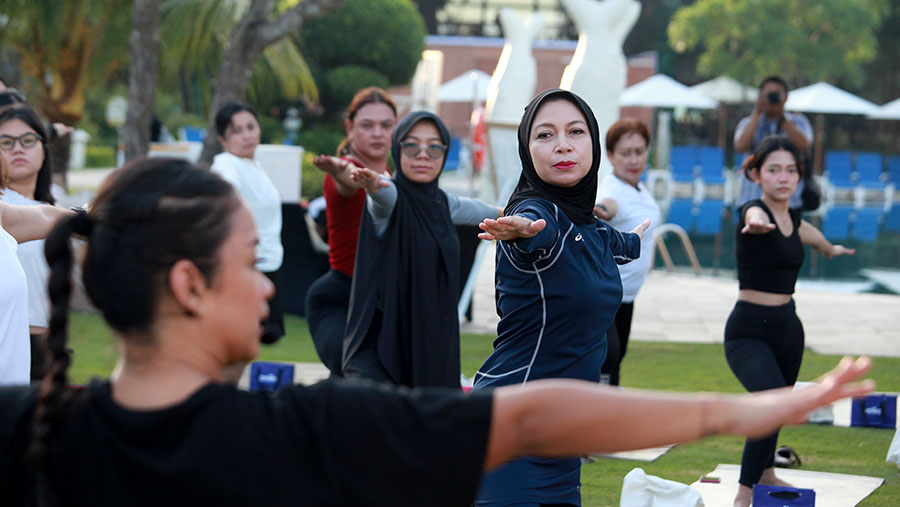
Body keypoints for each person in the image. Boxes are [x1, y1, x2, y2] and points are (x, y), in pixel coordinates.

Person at [0, 157, 875, 507]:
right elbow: (533, 416)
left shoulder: (27, 427)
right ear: (189, 285)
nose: (268, 283)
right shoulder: (302, 427)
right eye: (246, 262)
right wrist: (737, 411)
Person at [473, 89, 650, 506]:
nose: (563, 145)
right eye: (545, 135)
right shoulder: (539, 215)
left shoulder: (590, 228)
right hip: (511, 430)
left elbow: (615, 241)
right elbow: (537, 229)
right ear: (526, 148)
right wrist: (520, 229)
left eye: (575, 132)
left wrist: (634, 240)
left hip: (564, 437)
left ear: (593, 143)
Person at [727, 135, 856, 507]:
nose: (783, 178)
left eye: (790, 170)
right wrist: (755, 224)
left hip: (788, 329)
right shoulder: (754, 210)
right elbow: (754, 217)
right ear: (757, 174)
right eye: (773, 170)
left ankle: (766, 472)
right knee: (771, 404)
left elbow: (806, 233)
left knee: (780, 405)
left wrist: (829, 248)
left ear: (799, 176)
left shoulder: (792, 217)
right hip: (748, 331)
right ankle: (744, 494)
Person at [342, 111, 500, 388]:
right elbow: (383, 196)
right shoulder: (392, 197)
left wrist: (535, 213)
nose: (423, 155)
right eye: (412, 146)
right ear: (397, 149)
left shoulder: (444, 204)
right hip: (385, 345)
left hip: (433, 343)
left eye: (434, 147)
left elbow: (494, 212)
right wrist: (375, 186)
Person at [306, 87, 397, 376]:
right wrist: (339, 168)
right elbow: (350, 178)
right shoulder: (349, 170)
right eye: (367, 125)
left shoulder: (397, 178)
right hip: (340, 301)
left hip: (384, 304)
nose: (378, 133)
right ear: (350, 127)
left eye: (386, 125)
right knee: (362, 376)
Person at [210, 101, 284, 345]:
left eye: (251, 127)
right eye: (236, 131)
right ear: (222, 139)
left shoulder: (253, 165)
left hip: (268, 263)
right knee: (243, 340)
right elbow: (226, 193)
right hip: (249, 268)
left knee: (261, 339)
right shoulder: (226, 164)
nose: (246, 135)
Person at [594, 118, 661, 386]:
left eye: (639, 152)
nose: (633, 160)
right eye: (625, 153)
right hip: (603, 293)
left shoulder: (640, 189)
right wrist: (599, 210)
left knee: (616, 357)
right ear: (610, 155)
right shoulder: (611, 190)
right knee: (607, 358)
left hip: (627, 296)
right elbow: (607, 206)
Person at [0, 104, 57, 380]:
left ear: (44, 148)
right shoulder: (7, 211)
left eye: (27, 140)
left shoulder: (49, 205)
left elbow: (47, 214)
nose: (17, 149)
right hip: (20, 337)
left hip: (46, 343)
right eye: (6, 142)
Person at [733, 76, 814, 209]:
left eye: (776, 94)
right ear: (760, 96)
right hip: (752, 198)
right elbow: (740, 146)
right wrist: (757, 113)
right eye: (769, 94)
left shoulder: (798, 122)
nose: (772, 98)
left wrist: (783, 119)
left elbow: (805, 146)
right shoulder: (749, 122)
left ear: (786, 97)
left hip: (790, 203)